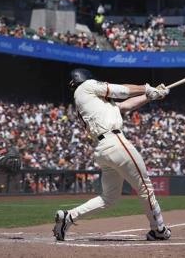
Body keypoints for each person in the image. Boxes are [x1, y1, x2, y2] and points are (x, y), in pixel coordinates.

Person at [53, 69, 171, 241]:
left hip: (103, 149)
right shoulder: (87, 86)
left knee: (108, 198)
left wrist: (152, 95)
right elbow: (122, 91)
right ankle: (158, 229)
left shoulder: (94, 101)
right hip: (115, 141)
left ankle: (69, 217)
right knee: (145, 188)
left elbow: (126, 105)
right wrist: (147, 87)